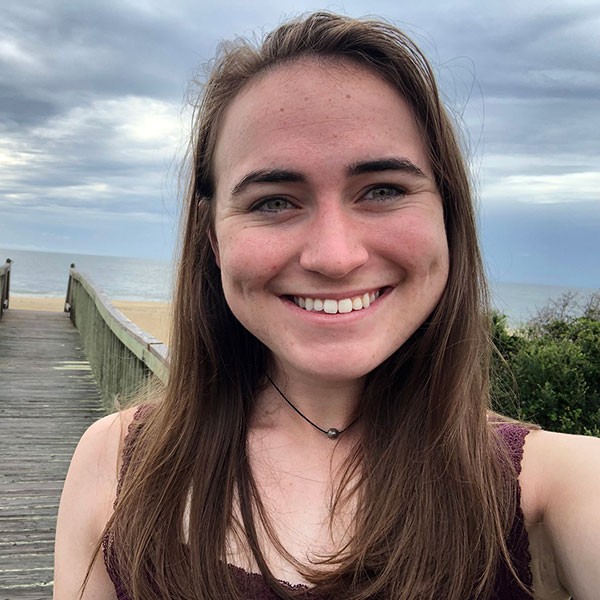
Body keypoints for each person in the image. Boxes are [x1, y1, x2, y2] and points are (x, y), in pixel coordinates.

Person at [54, 11, 600, 600]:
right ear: (213, 239)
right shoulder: (115, 464)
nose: (335, 257)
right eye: (273, 202)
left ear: (447, 215)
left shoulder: (558, 484)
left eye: (383, 190)